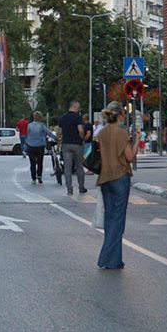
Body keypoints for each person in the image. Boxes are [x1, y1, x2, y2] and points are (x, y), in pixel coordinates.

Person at [94, 109, 137, 270]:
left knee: (110, 218)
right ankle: (108, 259)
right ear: (120, 116)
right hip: (120, 177)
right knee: (118, 220)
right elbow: (129, 157)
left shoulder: (102, 133)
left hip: (105, 178)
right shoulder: (122, 133)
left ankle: (115, 259)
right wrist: (136, 142)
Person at [58, 102, 89, 196]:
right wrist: (82, 138)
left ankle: (69, 189)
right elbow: (80, 130)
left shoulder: (63, 117)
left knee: (67, 167)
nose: (79, 109)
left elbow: (60, 131)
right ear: (74, 107)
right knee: (79, 166)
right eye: (78, 107)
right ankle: (81, 187)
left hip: (66, 144)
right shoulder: (77, 117)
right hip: (77, 144)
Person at [24, 111, 49, 184]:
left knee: (32, 163)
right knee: (40, 162)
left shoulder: (29, 125)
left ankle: (33, 179)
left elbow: (27, 134)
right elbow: (48, 132)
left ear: (33, 117)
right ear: (40, 118)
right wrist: (56, 138)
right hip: (40, 146)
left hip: (31, 146)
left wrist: (26, 144)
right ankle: (39, 176)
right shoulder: (42, 125)